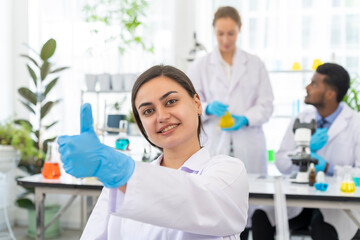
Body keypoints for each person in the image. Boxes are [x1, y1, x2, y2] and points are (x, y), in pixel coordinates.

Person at [58, 65, 249, 240]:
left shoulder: (228, 170)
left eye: (171, 101)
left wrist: (124, 173)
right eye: (148, 111)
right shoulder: (118, 184)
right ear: (141, 124)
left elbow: (201, 203)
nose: (162, 116)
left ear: (197, 103)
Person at [251, 63, 360, 240]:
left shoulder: (356, 124)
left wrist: (328, 168)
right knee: (261, 216)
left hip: (337, 204)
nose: (307, 87)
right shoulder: (301, 119)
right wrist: (305, 149)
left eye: (314, 84)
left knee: (322, 226)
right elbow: (281, 161)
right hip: (299, 199)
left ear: (331, 94)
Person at [187, 6, 274, 175]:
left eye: (231, 33)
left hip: (248, 140)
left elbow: (266, 105)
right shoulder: (200, 66)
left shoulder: (255, 64)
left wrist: (246, 118)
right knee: (214, 191)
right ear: (214, 31)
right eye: (220, 34)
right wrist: (207, 108)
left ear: (239, 30)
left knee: (252, 194)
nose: (225, 39)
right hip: (214, 140)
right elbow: (189, 105)